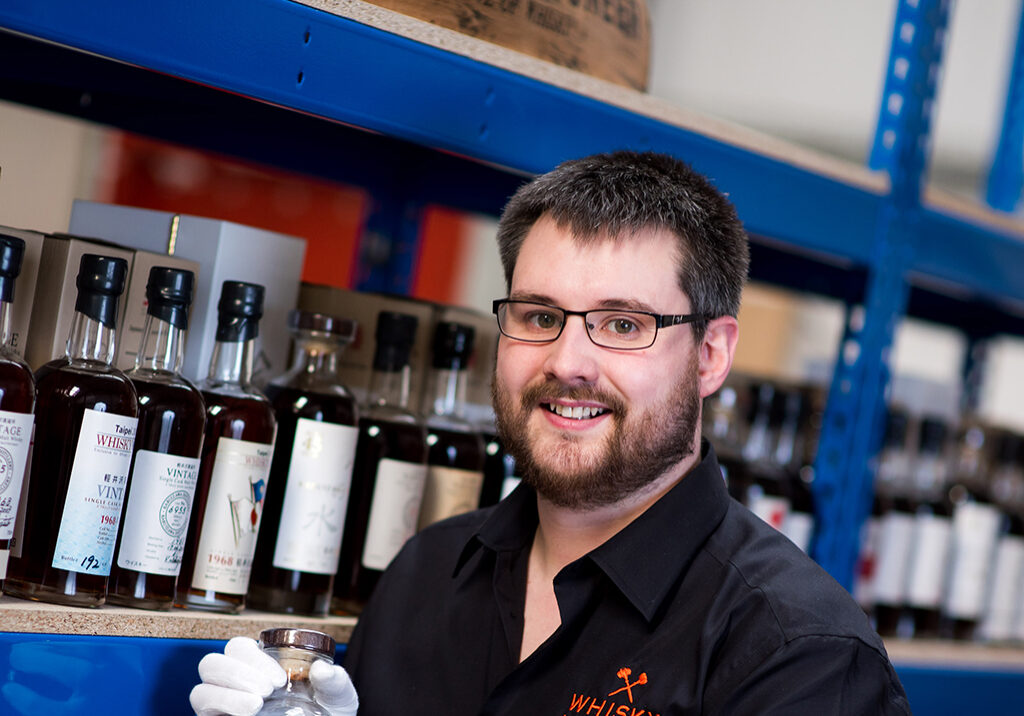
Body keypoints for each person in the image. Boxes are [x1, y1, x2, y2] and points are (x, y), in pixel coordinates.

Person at [191, 150, 911, 716]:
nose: (568, 363)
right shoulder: (425, 574)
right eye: (540, 317)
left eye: (623, 325)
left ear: (712, 355)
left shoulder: (796, 654)